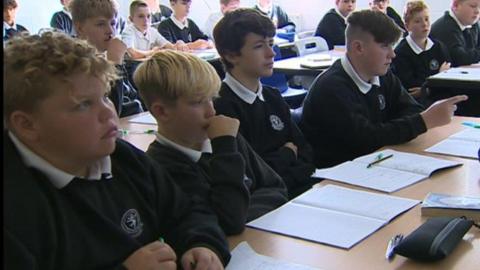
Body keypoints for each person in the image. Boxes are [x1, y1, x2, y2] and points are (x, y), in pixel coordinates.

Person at [4, 31, 229, 270]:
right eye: (83, 104)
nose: (108, 113)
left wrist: (203, 244)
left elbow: (187, 211)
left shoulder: (121, 157)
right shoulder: (15, 205)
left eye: (104, 96)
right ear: (27, 125)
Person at [133, 50, 288, 234]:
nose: (211, 111)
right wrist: (225, 148)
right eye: (198, 102)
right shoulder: (162, 167)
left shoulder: (227, 137)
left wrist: (241, 210)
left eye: (212, 99)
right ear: (161, 112)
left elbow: (276, 187)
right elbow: (228, 221)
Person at [299, 10, 468, 168]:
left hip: (375, 163)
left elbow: (411, 109)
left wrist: (400, 126)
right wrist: (423, 121)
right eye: (385, 46)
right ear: (359, 48)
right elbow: (366, 139)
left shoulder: (381, 74)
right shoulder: (332, 88)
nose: (392, 54)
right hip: (337, 175)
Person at [213, 8, 316, 199]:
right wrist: (287, 154)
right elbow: (251, 175)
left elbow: (305, 151)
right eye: (259, 46)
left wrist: (286, 163)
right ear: (230, 55)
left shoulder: (272, 97)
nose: (271, 53)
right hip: (266, 205)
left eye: (271, 43)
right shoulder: (221, 108)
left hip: (298, 192)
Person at [71, 0, 143, 118]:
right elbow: (109, 113)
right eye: (101, 24)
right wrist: (114, 64)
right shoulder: (78, 64)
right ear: (79, 28)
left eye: (113, 23)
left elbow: (132, 96)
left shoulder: (104, 56)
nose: (110, 31)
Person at [391, 0, 451, 106]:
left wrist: (426, 88)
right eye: (418, 21)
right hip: (416, 105)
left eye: (427, 19)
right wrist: (438, 77)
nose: (424, 24)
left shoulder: (439, 47)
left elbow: (448, 79)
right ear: (407, 26)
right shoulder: (401, 53)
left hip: (441, 99)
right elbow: (411, 89)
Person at [430, 0, 480, 66]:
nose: (477, 11)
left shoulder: (473, 24)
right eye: (473, 6)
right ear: (456, 6)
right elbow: (460, 58)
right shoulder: (445, 27)